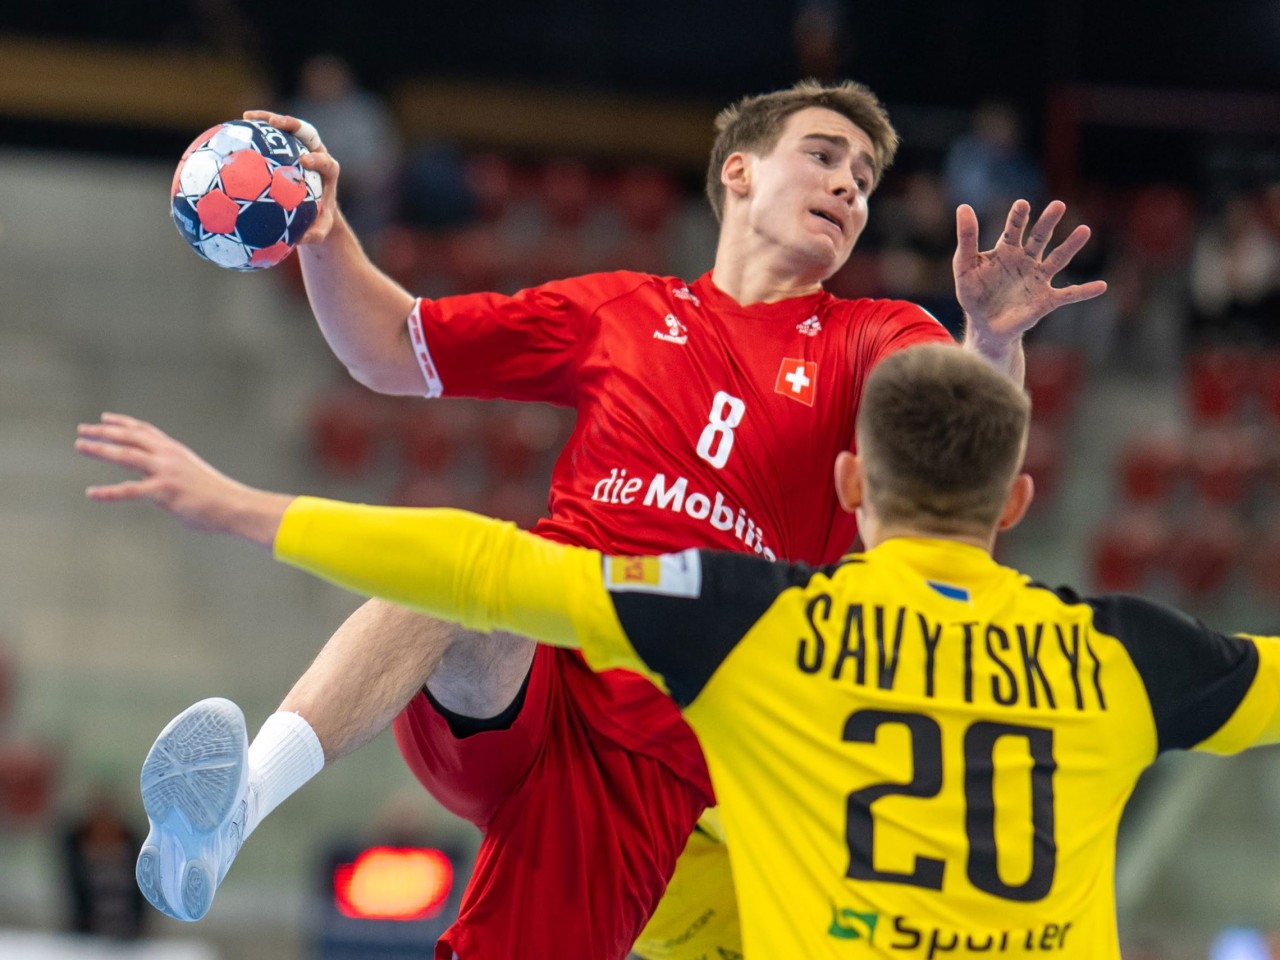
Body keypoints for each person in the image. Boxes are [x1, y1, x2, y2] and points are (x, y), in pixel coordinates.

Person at [113, 78, 1105, 959]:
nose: (849, 185)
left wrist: (991, 340)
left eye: (863, 177)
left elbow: (959, 462)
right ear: (740, 172)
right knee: (455, 570)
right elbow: (388, 349)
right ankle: (238, 806)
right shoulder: (617, 311)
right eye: (822, 155)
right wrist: (327, 234)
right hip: (533, 660)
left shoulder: (873, 333)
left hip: (656, 733)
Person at [76, 343, 1280, 958]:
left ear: (849, 486)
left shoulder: (773, 621)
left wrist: (246, 508)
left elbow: (482, 564)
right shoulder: (1119, 654)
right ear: (1015, 501)